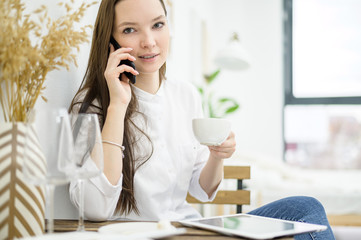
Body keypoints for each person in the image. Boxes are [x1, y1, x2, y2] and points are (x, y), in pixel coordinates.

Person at [68, 0, 335, 239]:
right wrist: (118, 106)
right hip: (138, 234)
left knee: (306, 209)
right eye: (130, 30)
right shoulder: (89, 106)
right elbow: (94, 208)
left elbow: (201, 189)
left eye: (158, 25)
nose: (149, 41)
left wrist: (217, 155)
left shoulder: (186, 95)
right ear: (110, 40)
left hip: (189, 230)